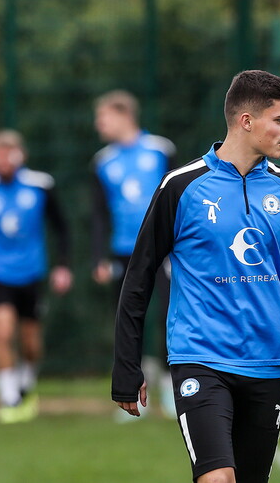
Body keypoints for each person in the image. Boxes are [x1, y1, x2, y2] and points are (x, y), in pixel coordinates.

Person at [112, 70, 280, 483]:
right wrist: (126, 365)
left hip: (268, 364)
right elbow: (139, 277)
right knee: (217, 478)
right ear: (246, 121)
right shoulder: (182, 187)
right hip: (200, 359)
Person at [0, 130, 72, 423]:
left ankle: (25, 386)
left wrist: (62, 266)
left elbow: (61, 228)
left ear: (21, 155)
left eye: (10, 152)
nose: (4, 159)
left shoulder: (40, 185)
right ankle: (9, 399)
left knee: (30, 342)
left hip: (31, 273)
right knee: (3, 333)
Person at [91, 89, 175, 417]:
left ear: (124, 115)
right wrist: (99, 257)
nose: (99, 125)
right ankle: (131, 389)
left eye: (104, 117)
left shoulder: (161, 150)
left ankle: (172, 389)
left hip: (163, 249)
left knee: (171, 318)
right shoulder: (102, 162)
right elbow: (98, 215)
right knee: (126, 323)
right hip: (123, 253)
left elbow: (177, 198)